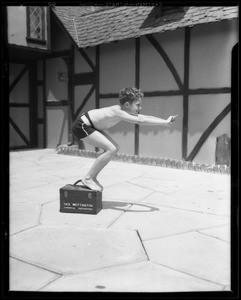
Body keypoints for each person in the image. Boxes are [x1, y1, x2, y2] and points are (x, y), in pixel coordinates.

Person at [72, 86, 178, 192]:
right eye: (138, 105)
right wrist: (164, 123)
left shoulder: (122, 111)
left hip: (91, 125)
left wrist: (165, 121)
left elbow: (144, 117)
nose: (140, 108)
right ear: (127, 104)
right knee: (111, 149)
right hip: (82, 126)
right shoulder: (117, 111)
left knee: (115, 148)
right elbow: (141, 120)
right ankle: (88, 178)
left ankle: (92, 178)